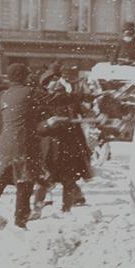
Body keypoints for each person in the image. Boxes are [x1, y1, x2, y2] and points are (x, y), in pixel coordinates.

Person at [0, 64, 45, 229]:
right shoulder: (31, 93)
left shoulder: (0, 96)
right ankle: (20, 222)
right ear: (23, 76)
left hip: (4, 145)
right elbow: (54, 100)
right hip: (24, 145)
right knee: (24, 183)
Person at [30, 78, 92, 219]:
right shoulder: (42, 105)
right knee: (44, 181)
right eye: (55, 91)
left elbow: (87, 112)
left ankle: (66, 210)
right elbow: (36, 127)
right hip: (49, 150)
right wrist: (47, 123)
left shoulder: (71, 103)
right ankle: (37, 209)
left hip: (69, 148)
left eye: (60, 91)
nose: (58, 94)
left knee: (69, 181)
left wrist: (94, 116)